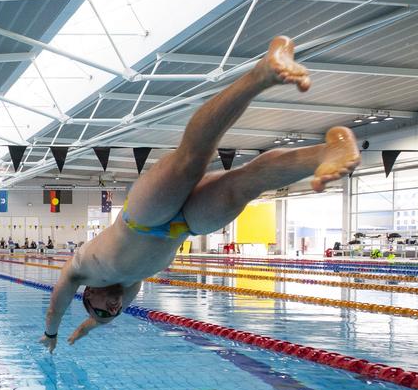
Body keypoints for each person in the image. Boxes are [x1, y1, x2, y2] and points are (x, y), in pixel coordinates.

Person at [41, 36, 360, 352]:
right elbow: (103, 319)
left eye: (101, 309)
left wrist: (52, 335)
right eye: (113, 312)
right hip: (187, 225)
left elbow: (57, 306)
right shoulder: (127, 289)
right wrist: (91, 324)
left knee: (191, 159)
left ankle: (261, 75)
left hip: (142, 217)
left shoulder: (80, 271)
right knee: (245, 184)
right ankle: (326, 151)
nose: (111, 308)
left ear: (89, 294)